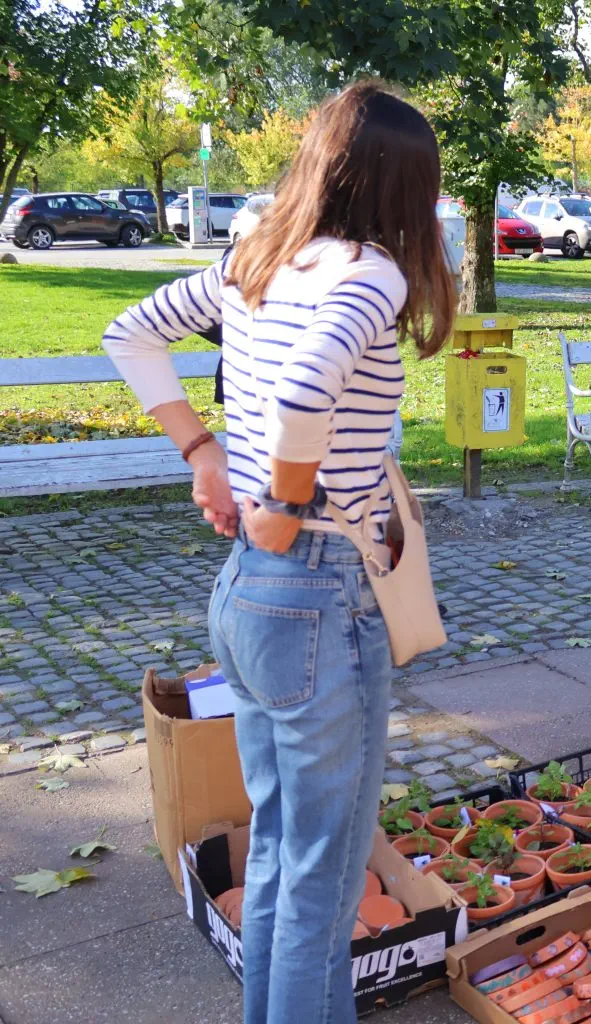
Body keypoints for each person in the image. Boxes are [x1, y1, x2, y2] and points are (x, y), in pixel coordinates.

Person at [101, 81, 455, 1024]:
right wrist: (284, 500)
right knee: (321, 881)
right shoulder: (372, 271)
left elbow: (127, 332)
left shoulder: (259, 257)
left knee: (278, 850)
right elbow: (305, 395)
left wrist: (203, 452)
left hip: (252, 598)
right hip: (318, 593)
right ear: (400, 188)